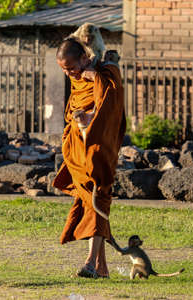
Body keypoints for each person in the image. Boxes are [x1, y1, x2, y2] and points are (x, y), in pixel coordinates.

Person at [52, 38, 126, 278]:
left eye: (72, 67)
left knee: (98, 196)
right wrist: (79, 117)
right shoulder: (77, 79)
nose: (69, 73)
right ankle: (101, 268)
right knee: (92, 200)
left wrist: (95, 78)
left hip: (100, 147)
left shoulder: (106, 72)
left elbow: (111, 105)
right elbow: (73, 108)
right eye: (64, 70)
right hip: (78, 148)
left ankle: (91, 262)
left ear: (85, 58)